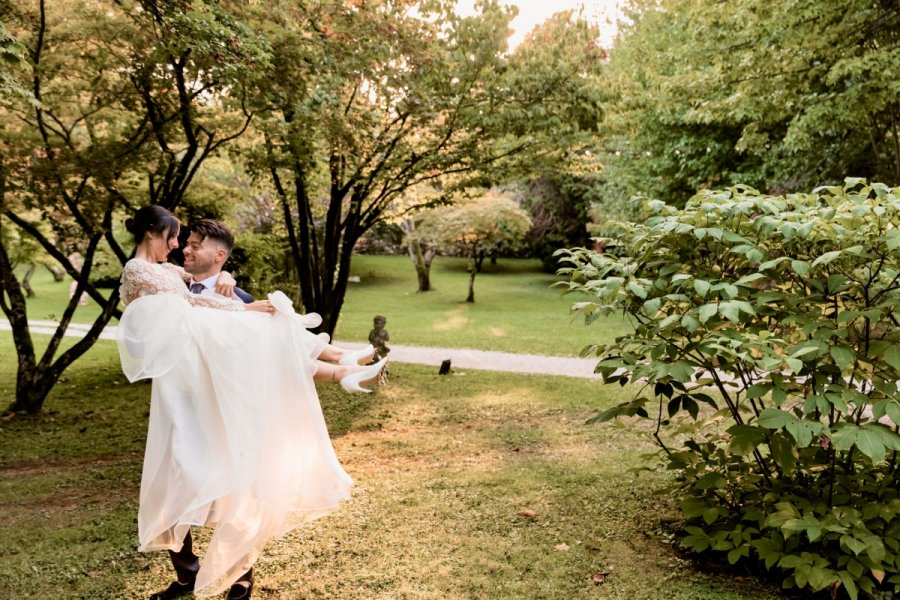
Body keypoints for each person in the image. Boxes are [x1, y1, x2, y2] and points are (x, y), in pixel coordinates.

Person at [117, 206, 385, 600]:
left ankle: (239, 574)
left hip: (209, 384)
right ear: (154, 233)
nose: (178, 248)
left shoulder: (177, 274)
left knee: (232, 469)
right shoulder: (139, 271)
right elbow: (190, 304)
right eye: (175, 239)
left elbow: (198, 286)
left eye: (187, 242)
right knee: (177, 476)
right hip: (181, 386)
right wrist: (242, 307)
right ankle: (187, 575)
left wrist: (228, 282)